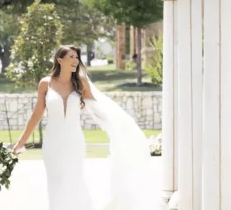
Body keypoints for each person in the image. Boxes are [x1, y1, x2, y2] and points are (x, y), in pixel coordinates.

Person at [13, 45, 166, 210]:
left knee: (74, 180)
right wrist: (21, 141)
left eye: (77, 57)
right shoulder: (45, 84)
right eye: (71, 56)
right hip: (52, 142)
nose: (75, 60)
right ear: (60, 60)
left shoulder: (80, 82)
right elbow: (36, 114)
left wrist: (117, 127)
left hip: (74, 141)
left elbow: (96, 107)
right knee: (55, 181)